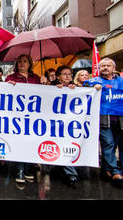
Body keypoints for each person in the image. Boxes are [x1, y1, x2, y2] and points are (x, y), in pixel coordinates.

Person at [83, 57, 123, 186]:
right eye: (102, 66)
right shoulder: (93, 82)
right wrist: (91, 87)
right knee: (108, 144)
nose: (105, 68)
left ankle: (107, 170)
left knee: (117, 145)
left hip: (121, 120)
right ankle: (115, 172)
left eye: (108, 66)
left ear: (113, 68)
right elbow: (82, 91)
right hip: (103, 120)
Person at [5, 54, 40, 184]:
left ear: (30, 63)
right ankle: (20, 169)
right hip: (17, 116)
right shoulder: (11, 77)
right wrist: (8, 86)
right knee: (20, 142)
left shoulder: (36, 78)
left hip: (33, 116)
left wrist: (45, 84)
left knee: (31, 141)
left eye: (25, 61)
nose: (22, 64)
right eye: (19, 62)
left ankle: (28, 168)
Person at [47, 65, 80, 187]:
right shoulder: (52, 86)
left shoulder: (76, 88)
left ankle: (71, 173)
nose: (67, 76)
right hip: (54, 123)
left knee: (66, 146)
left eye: (69, 74)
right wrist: (52, 88)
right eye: (64, 74)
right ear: (59, 76)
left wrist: (76, 89)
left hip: (70, 124)